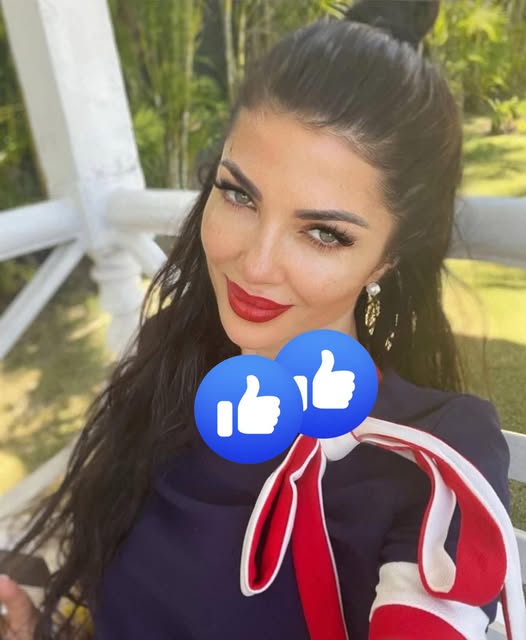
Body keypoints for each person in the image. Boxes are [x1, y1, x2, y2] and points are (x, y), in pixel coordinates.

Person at [0, 4, 521, 639]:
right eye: (239, 195)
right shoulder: (173, 360)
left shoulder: (434, 456)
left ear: (387, 258)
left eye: (324, 233)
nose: (256, 263)